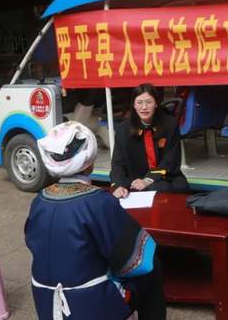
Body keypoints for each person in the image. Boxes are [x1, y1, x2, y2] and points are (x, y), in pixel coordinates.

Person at [25, 121, 166, 320]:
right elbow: (134, 260)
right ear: (90, 163)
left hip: (46, 302)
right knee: (152, 269)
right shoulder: (98, 202)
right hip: (91, 306)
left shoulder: (39, 200)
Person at [111, 83, 189, 198]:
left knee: (181, 187)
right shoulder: (123, 129)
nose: (144, 107)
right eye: (139, 102)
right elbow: (118, 163)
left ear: (156, 103)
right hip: (137, 178)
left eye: (148, 102)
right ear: (134, 105)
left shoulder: (170, 124)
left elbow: (171, 159)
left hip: (166, 173)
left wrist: (149, 179)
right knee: (161, 189)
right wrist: (119, 185)